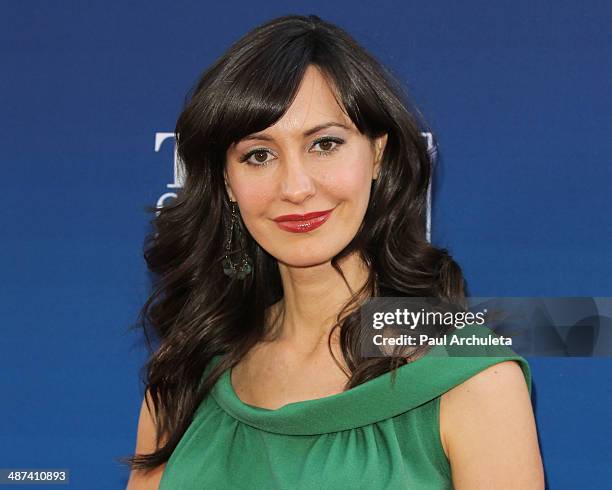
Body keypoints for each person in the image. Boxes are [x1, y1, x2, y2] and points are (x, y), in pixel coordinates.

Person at [123, 14, 545, 490]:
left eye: (325, 144)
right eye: (259, 155)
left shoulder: (471, 374)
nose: (296, 187)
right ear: (227, 180)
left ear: (377, 156)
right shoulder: (187, 371)